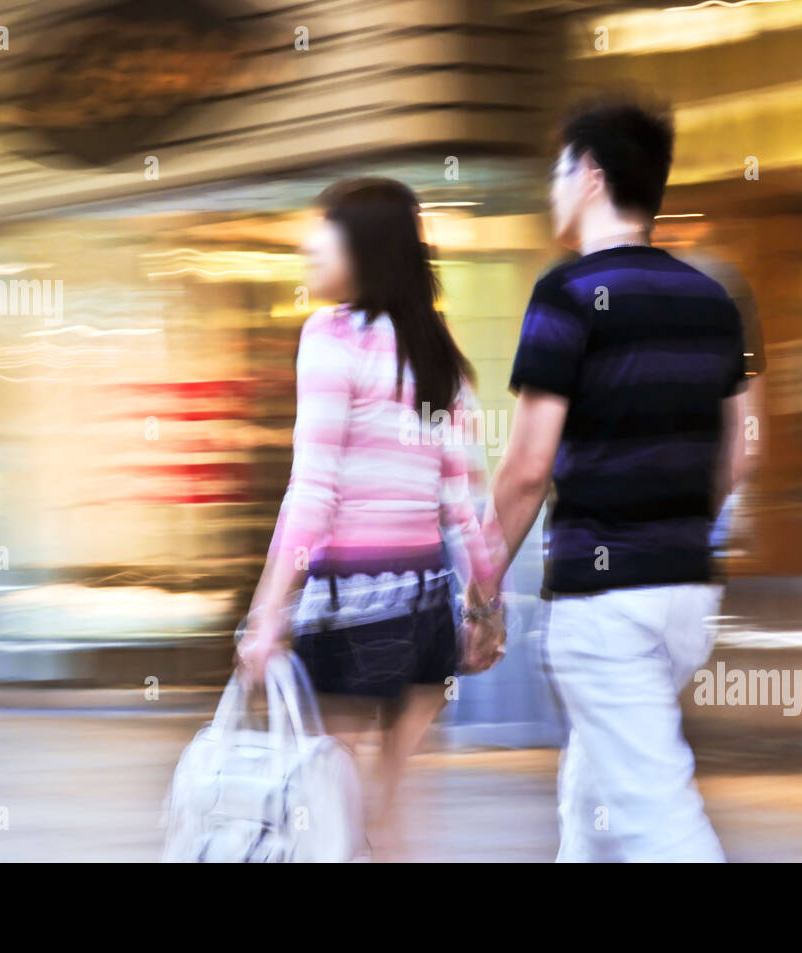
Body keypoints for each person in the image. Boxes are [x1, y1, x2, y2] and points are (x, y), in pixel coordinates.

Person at [478, 100, 751, 862]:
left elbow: (528, 467)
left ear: (590, 174)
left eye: (558, 168)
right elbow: (734, 454)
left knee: (660, 819)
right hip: (684, 595)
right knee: (594, 807)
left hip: (606, 604)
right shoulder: (710, 299)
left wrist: (481, 589)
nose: (551, 187)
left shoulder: (565, 296)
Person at [236, 178, 506, 857]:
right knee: (387, 820)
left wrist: (268, 613)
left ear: (364, 246)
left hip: (353, 610)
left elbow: (313, 493)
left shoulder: (331, 337)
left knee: (331, 820)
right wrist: (485, 611)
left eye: (326, 227)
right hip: (426, 617)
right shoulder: (438, 351)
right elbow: (462, 508)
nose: (309, 242)